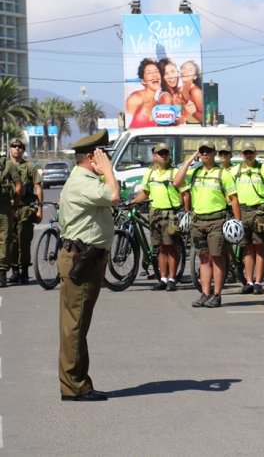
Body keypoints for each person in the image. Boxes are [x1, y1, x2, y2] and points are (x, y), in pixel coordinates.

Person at [58, 130, 120, 401]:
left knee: (78, 323)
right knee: (75, 325)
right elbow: (114, 195)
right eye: (102, 154)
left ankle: (77, 382)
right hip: (82, 260)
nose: (106, 158)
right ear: (92, 157)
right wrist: (107, 170)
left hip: (87, 258)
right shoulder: (84, 181)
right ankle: (74, 385)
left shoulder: (86, 180)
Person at [173, 140, 240, 308]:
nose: (205, 154)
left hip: (216, 220)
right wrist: (189, 161)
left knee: (217, 258)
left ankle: (217, 294)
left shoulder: (222, 173)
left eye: (208, 151)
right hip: (198, 220)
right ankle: (205, 293)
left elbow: (233, 199)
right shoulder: (194, 173)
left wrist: (238, 222)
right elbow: (176, 182)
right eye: (202, 151)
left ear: (214, 153)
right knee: (204, 259)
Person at [130, 143, 189, 291]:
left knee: (171, 248)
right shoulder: (149, 173)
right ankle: (162, 279)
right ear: (154, 156)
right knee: (161, 248)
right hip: (154, 214)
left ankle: (171, 279)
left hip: (171, 213)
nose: (163, 156)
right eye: (160, 153)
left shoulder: (175, 172)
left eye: (165, 153)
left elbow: (185, 194)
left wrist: (186, 213)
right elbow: (145, 193)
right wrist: (132, 202)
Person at [232, 143, 264, 295]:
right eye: (245, 153)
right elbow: (230, 193)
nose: (248, 155)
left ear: (255, 152)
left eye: (251, 152)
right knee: (247, 248)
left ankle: (258, 282)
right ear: (241, 154)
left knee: (259, 247)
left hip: (259, 212)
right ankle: (249, 281)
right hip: (242, 212)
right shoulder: (235, 170)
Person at [7, 138, 42, 285]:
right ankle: (14, 270)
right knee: (11, 241)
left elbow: (38, 187)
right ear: (9, 148)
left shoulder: (29, 167)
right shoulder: (4, 166)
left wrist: (40, 208)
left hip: (25, 208)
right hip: (7, 209)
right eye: (14, 146)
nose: (17, 149)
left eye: (20, 146)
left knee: (24, 241)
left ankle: (24, 271)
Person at [126, 58, 169, 128]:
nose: (154, 75)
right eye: (149, 72)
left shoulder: (158, 104)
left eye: (156, 71)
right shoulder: (136, 98)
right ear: (143, 81)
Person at [0, 148, 21, 287]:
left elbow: (18, 185)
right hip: (5, 207)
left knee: (5, 239)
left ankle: (1, 273)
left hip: (4, 207)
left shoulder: (8, 165)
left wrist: (15, 206)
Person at [158, 57, 195, 125]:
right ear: (162, 77)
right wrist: (185, 115)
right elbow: (167, 125)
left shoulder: (178, 93)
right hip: (172, 135)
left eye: (173, 71)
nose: (171, 76)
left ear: (177, 72)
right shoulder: (166, 97)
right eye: (166, 74)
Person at [179, 60, 204, 124]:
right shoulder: (178, 89)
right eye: (183, 68)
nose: (185, 71)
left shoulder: (196, 91)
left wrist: (186, 98)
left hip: (194, 130)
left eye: (190, 70)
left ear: (195, 76)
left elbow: (205, 118)